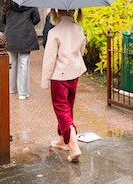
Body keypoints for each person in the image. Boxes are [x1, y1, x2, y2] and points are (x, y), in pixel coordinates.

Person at [41, 9, 87, 163]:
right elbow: (81, 51)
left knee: (61, 109)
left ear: (57, 12)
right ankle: (62, 139)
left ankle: (74, 147)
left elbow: (49, 59)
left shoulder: (54, 32)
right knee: (68, 107)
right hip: (74, 74)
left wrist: (45, 80)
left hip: (59, 76)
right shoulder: (79, 30)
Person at [2, 0, 40, 100]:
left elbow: (3, 20)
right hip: (26, 36)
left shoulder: (8, 3)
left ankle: (12, 88)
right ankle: (23, 93)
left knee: (12, 62)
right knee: (24, 62)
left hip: (11, 36)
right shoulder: (30, 2)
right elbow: (36, 20)